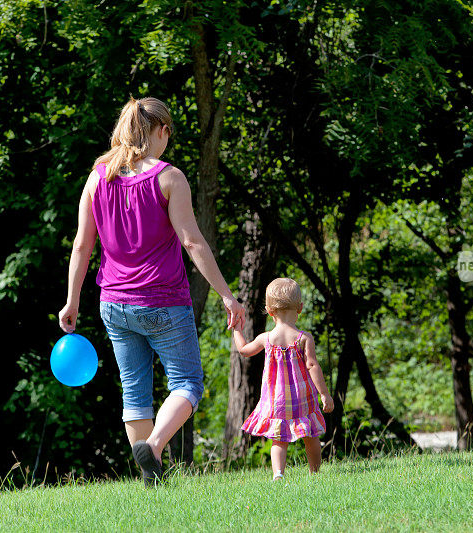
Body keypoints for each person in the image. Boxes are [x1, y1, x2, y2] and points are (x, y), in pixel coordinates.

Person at [57, 97, 245, 487]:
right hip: (162, 301)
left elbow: (81, 245)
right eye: (168, 132)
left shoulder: (97, 178)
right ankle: (155, 446)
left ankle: (150, 479)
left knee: (135, 390)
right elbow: (192, 242)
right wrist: (227, 295)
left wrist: (72, 300)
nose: (168, 141)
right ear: (159, 131)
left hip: (113, 302)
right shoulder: (169, 178)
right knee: (188, 384)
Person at [232, 277, 334, 481]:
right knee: (311, 435)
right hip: (303, 397)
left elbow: (243, 350)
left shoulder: (266, 338)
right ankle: (315, 473)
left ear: (269, 311)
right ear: (300, 308)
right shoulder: (304, 338)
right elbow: (312, 366)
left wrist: (236, 328)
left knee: (278, 439)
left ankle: (278, 474)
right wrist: (324, 394)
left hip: (276, 399)